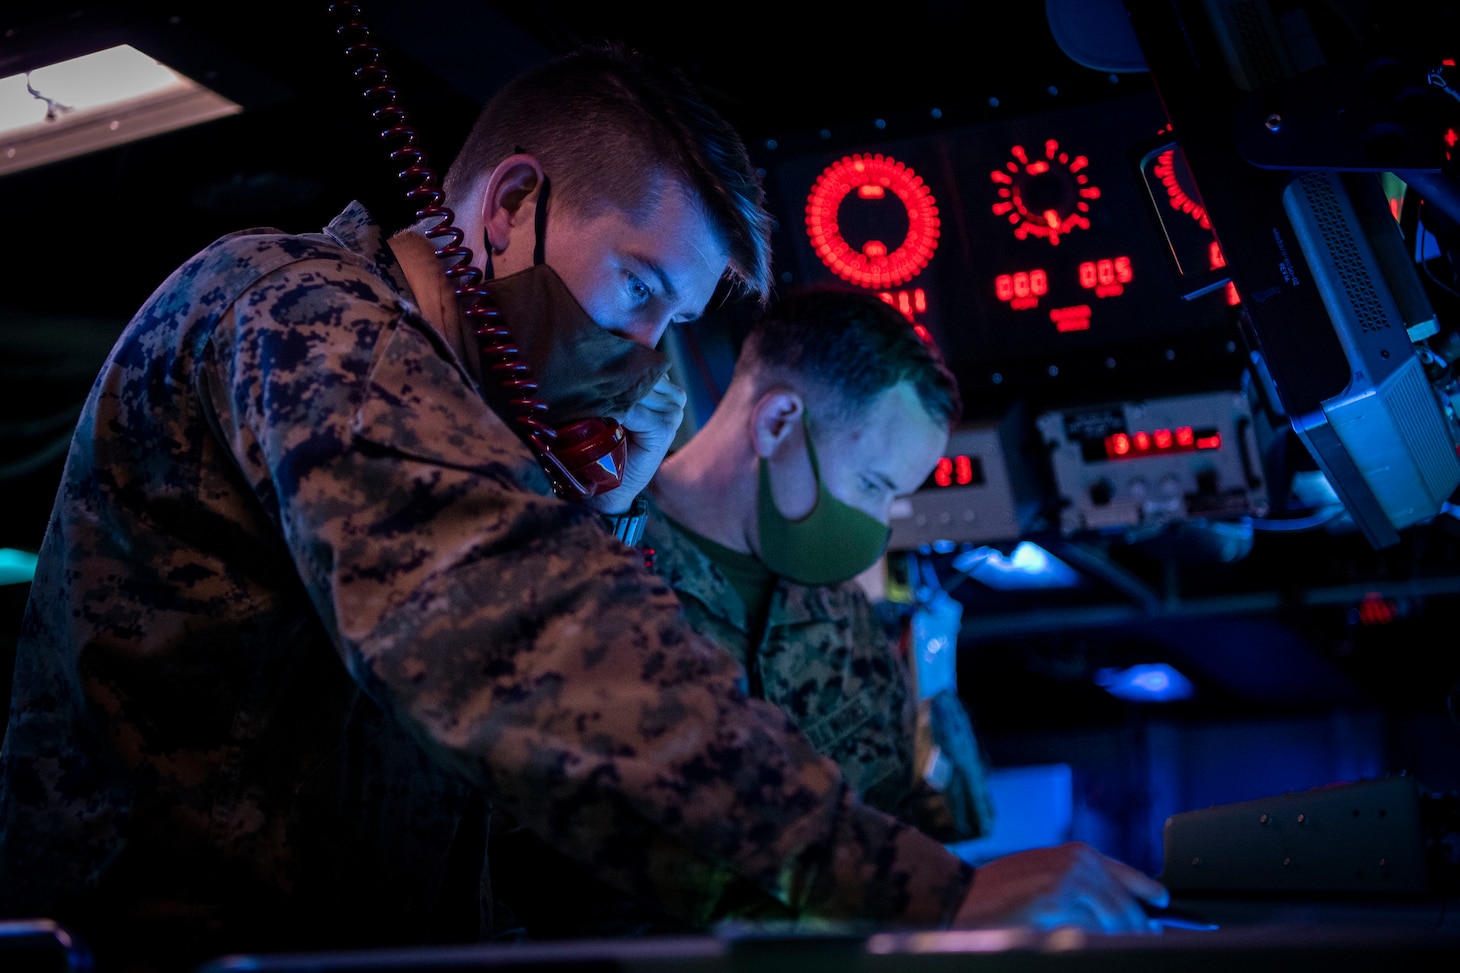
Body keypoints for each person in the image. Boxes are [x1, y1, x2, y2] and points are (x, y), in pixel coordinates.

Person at [0, 39, 1167, 973]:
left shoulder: (470, 411)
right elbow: (514, 637)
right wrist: (920, 890)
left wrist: (596, 509)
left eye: (675, 322)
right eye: (638, 289)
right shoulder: (299, 313)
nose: (649, 357)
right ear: (508, 204)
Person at [646, 287, 995, 842]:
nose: (879, 528)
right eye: (872, 485)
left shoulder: (845, 617)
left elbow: (912, 829)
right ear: (779, 422)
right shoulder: (596, 564)